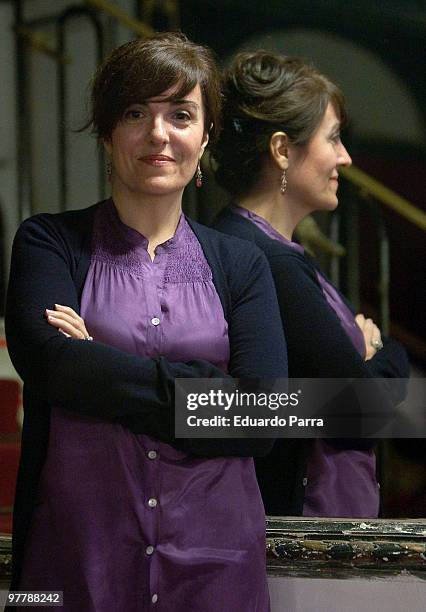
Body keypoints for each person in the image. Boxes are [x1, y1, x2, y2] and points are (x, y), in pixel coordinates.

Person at [5, 35, 288, 612]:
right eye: (136, 113)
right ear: (107, 132)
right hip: (71, 562)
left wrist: (97, 366)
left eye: (180, 115)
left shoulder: (241, 263)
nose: (158, 134)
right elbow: (47, 363)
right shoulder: (47, 241)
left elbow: (260, 421)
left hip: (217, 562)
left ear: (205, 136)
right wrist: (208, 391)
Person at [212, 50, 409, 518]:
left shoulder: (241, 238)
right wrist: (383, 350)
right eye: (334, 138)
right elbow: (355, 415)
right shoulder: (269, 259)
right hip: (296, 524)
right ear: (282, 150)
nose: (346, 156)